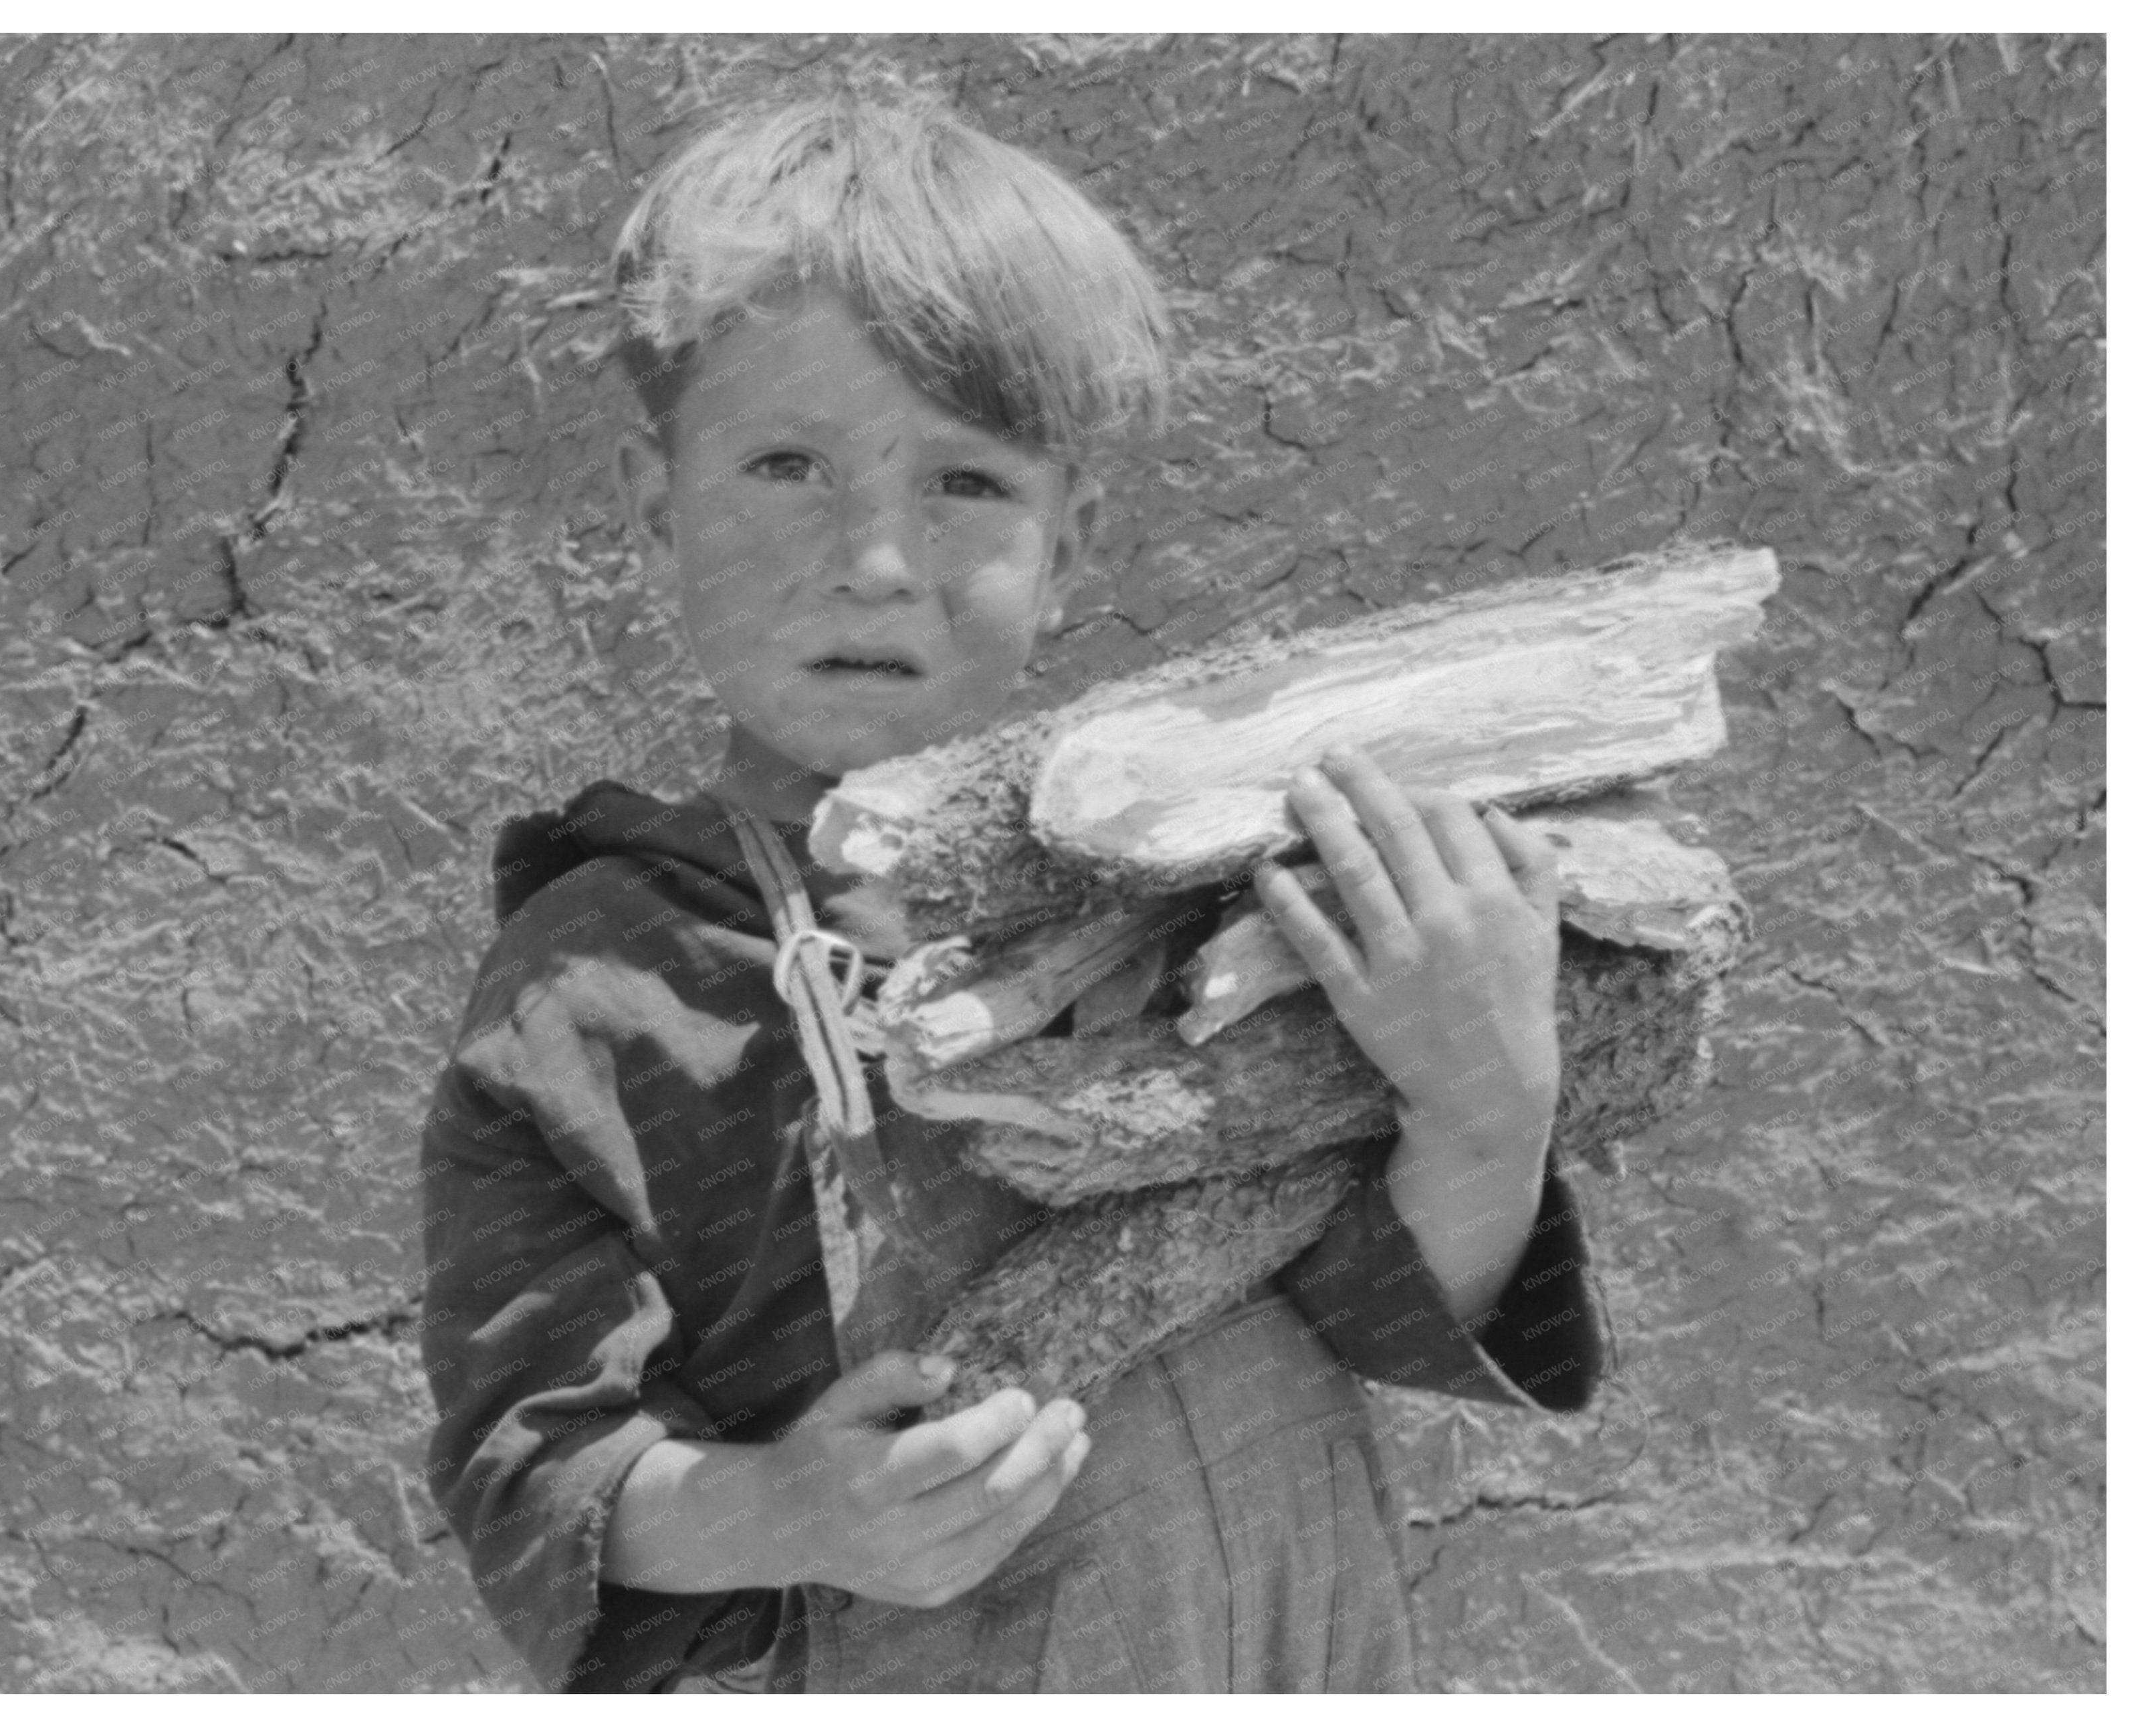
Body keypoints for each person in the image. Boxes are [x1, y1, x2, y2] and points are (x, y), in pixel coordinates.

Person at [417, 90, 1608, 1694]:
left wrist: (1487, 1102)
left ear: (1069, 542)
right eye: (787, 463)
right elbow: (531, 1468)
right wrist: (783, 1506)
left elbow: (1382, 1314)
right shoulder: (599, 983)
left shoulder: (1203, 894)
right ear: (657, 503)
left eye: (966, 484)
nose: (880, 562)